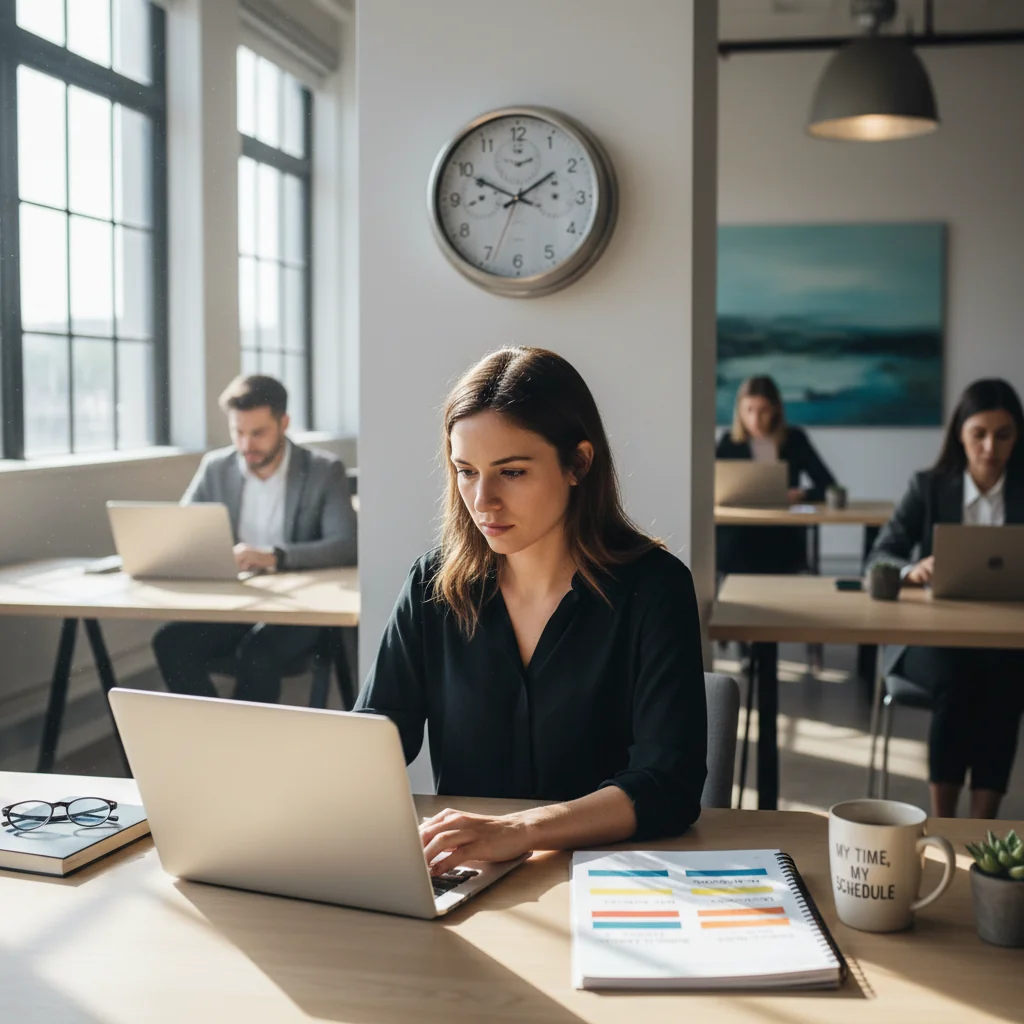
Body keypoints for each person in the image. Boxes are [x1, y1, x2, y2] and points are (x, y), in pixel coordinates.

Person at [355, 347, 707, 876]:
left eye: (512, 472)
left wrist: (519, 832)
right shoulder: (433, 585)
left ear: (579, 464)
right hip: (466, 876)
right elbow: (376, 739)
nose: (483, 500)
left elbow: (667, 785)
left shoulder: (656, 589)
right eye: (466, 472)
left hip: (609, 878)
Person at [868, 378, 1024, 819]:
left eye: (1004, 434)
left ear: (1018, 436)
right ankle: (943, 821)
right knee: (958, 674)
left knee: (1007, 676)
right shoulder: (929, 487)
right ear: (960, 433)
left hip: (1008, 642)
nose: (990, 446)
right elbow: (879, 555)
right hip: (931, 643)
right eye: (979, 434)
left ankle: (980, 827)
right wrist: (910, 570)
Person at [152, 374, 357, 704]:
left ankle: (246, 751)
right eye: (238, 432)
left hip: (301, 610)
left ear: (284, 422)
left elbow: (345, 545)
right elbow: (184, 531)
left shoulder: (323, 470)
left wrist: (275, 556)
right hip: (238, 603)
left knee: (258, 650)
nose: (246, 444)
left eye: (258, 433)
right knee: (171, 643)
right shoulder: (216, 468)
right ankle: (213, 741)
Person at [716, 375, 837, 576]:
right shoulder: (729, 442)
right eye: (749, 410)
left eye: (763, 411)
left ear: (775, 409)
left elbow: (829, 486)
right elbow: (713, 488)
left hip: (783, 535)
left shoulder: (795, 440)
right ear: (739, 411)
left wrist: (802, 494)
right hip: (738, 537)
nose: (755, 419)